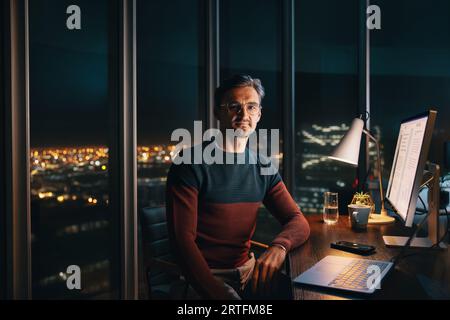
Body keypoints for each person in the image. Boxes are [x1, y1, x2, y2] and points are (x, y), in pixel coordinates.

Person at [166, 74, 310, 299]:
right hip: (204, 279)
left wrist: (279, 247)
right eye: (234, 106)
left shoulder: (262, 166)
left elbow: (297, 220)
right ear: (217, 112)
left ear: (259, 114)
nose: (244, 115)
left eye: (251, 107)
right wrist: (221, 295)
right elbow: (183, 243)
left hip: (249, 273)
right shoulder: (190, 163)